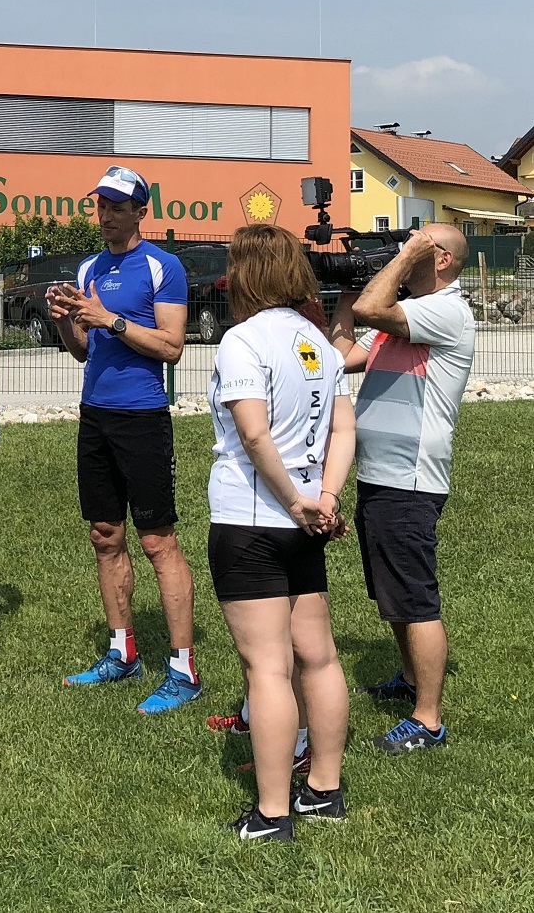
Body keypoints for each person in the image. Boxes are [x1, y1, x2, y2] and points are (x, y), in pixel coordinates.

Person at [206, 224, 355, 841]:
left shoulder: (242, 340)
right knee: (316, 657)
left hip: (253, 519)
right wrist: (324, 498)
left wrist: (296, 501)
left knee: (266, 668)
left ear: (248, 274)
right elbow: (343, 431)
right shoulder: (318, 341)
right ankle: (324, 788)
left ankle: (272, 814)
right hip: (306, 521)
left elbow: (254, 434)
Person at [46, 165, 200, 713]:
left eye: (116, 206)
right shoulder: (89, 266)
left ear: (140, 211)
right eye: (100, 206)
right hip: (96, 415)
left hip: (143, 416)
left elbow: (172, 347)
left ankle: (183, 668)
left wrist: (109, 320)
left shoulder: (165, 266)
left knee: (158, 541)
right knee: (104, 534)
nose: (106, 216)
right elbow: (83, 350)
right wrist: (66, 319)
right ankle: (123, 651)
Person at [328, 224, 475, 755]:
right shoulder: (405, 315)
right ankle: (410, 681)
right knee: (392, 595)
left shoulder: (445, 310)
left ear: (439, 259)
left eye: (414, 249)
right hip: (380, 476)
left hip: (409, 479)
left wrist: (403, 256)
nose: (400, 254)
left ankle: (428, 720)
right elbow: (341, 354)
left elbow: (373, 311)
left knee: (415, 600)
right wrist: (344, 297)